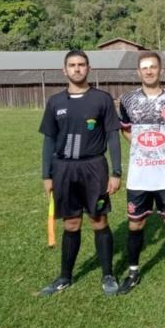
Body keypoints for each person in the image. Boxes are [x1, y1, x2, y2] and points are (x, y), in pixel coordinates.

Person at [38, 50, 123, 297]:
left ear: (89, 68)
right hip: (63, 169)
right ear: (64, 70)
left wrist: (116, 172)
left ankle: (108, 275)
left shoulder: (102, 99)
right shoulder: (55, 102)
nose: (77, 69)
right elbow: (49, 140)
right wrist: (47, 175)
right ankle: (65, 276)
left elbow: (113, 137)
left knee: (99, 220)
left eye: (81, 64)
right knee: (71, 223)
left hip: (94, 167)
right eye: (72, 65)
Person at [117, 51, 165, 294]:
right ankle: (134, 272)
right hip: (138, 175)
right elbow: (126, 130)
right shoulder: (127, 100)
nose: (149, 71)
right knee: (135, 225)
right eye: (144, 68)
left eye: (153, 67)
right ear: (138, 72)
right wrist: (142, 148)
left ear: (161, 70)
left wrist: (163, 148)